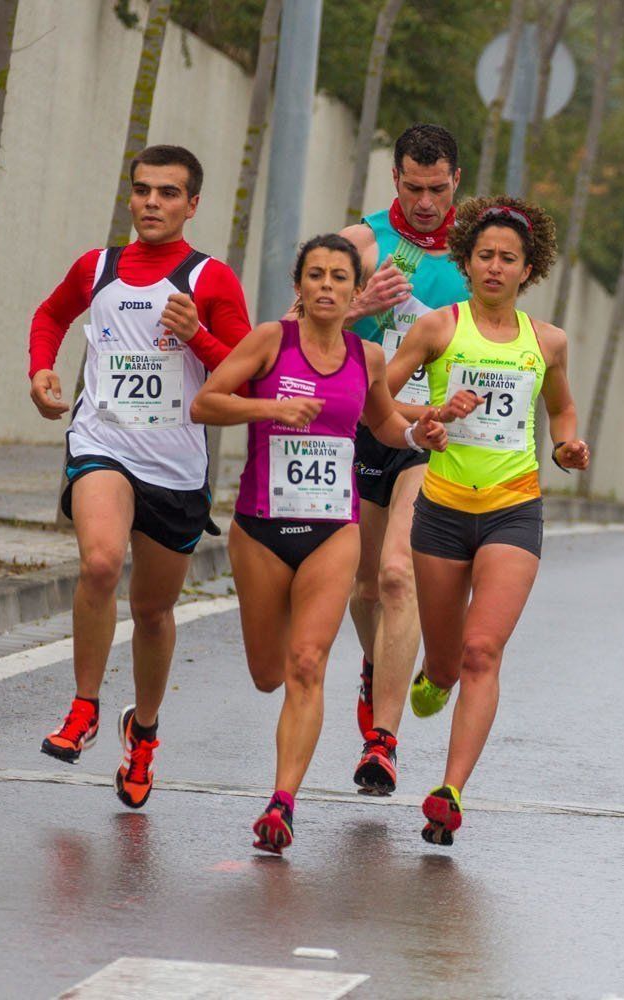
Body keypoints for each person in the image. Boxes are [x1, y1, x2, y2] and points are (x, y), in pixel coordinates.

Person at [190, 235, 446, 854]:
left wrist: (423, 431)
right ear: (299, 286)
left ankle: (282, 803)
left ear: (356, 291)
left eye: (339, 277)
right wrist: (269, 410)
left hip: (335, 531)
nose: (327, 286)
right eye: (316, 275)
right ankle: (282, 779)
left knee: (307, 663)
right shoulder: (268, 341)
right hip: (261, 530)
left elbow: (382, 423)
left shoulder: (369, 355)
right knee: (267, 674)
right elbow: (205, 402)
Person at [28, 145, 251, 809]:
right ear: (130, 196)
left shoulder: (210, 280)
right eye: (143, 190)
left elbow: (243, 374)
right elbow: (50, 316)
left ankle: (144, 732)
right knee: (99, 565)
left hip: (176, 467)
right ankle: (84, 706)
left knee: (153, 611)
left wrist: (198, 338)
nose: (152, 202)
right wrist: (41, 371)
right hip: (102, 443)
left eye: (168, 193)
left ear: (192, 204)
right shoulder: (95, 268)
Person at [386, 196, 589, 846]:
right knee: (447, 659)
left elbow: (561, 411)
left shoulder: (546, 342)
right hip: (442, 510)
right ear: (467, 260)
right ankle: (434, 674)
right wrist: (426, 421)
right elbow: (380, 395)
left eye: (508, 258)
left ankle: (449, 792)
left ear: (528, 269)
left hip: (512, 510)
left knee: (482, 651)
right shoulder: (438, 330)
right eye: (485, 256)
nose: (495, 267)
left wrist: (566, 447)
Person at [339, 124, 469, 797]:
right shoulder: (361, 243)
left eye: (437, 189)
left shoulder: (477, 255)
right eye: (413, 188)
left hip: (432, 433)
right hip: (362, 425)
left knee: (397, 575)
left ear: (457, 183)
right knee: (363, 589)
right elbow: (292, 326)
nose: (424, 202)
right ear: (394, 179)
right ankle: (376, 666)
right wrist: (360, 305)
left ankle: (382, 742)